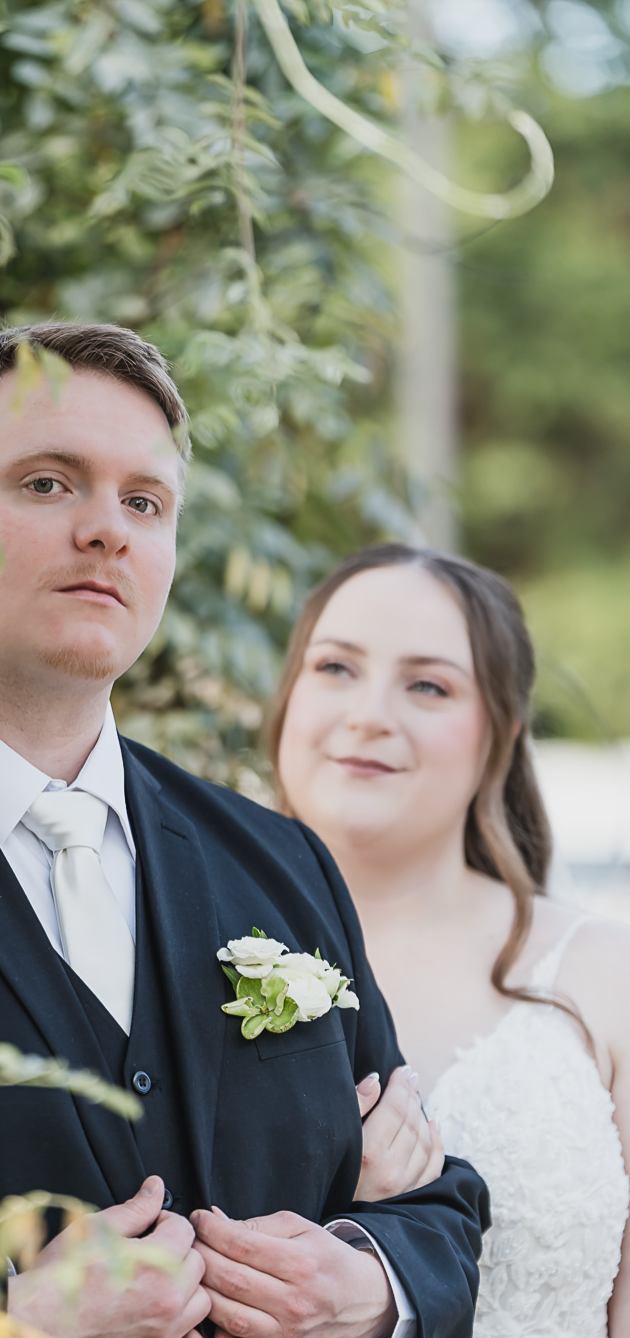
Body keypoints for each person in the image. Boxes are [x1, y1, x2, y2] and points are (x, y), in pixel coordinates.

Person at [0, 328, 487, 1338]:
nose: (107, 529)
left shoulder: (275, 863)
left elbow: (435, 1203)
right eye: (48, 484)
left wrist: (370, 1284)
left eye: (142, 502)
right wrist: (4, 1322)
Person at [270, 543, 630, 1337]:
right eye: (335, 668)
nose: (369, 713)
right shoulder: (171, 946)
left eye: (428, 685)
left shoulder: (606, 976)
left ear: (499, 736)